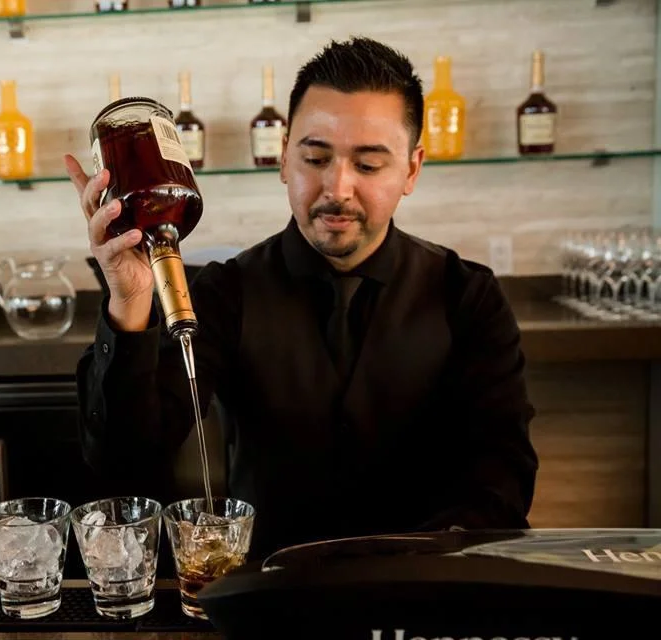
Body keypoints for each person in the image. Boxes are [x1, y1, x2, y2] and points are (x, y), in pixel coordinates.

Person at [63, 36, 540, 560]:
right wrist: (130, 301)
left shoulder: (467, 295)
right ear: (283, 156)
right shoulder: (227, 292)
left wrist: (422, 562)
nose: (337, 187)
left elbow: (501, 476)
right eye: (315, 157)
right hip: (269, 596)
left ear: (412, 169)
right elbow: (125, 461)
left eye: (369, 165)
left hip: (417, 593)